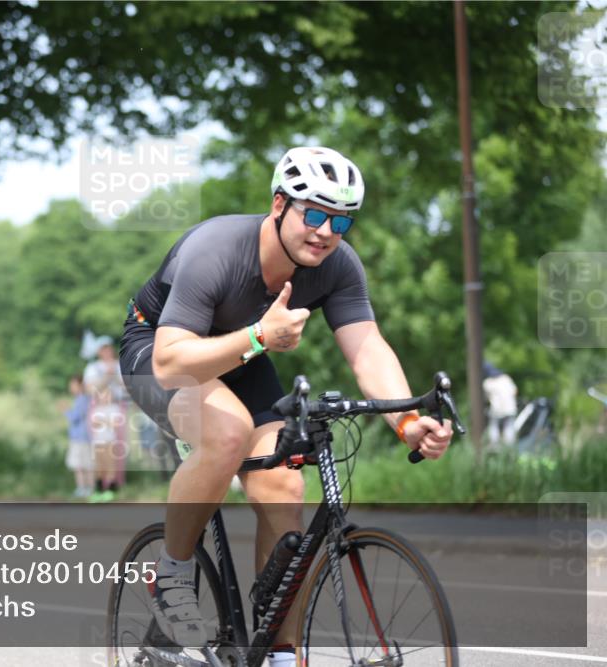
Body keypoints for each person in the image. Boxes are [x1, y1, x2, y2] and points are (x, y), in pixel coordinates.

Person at [119, 146, 453, 665]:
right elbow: (170, 362)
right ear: (279, 205)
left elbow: (367, 347)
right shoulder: (217, 249)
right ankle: (172, 572)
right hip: (160, 350)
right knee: (226, 431)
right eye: (313, 214)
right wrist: (257, 335)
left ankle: (277, 650)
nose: (324, 231)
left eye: (340, 221)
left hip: (246, 354)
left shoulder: (337, 266)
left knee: (285, 480)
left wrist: (407, 421)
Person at [83, 337, 127, 502]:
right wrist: (107, 377)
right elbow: (89, 389)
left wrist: (113, 376)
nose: (106, 351)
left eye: (108, 348)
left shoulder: (119, 365)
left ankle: (113, 484)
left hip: (115, 407)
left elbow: (125, 387)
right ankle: (99, 485)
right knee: (99, 454)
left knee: (115, 451)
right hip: (99, 408)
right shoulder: (92, 367)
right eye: (103, 349)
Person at [64, 374, 94, 498]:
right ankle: (83, 489)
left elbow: (74, 418)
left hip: (81, 438)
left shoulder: (82, 400)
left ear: (80, 386)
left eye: (73, 385)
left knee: (83, 465)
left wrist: (65, 410)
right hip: (80, 438)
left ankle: (87, 489)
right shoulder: (83, 399)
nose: (71, 387)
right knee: (81, 465)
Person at [482, 362, 518, 446]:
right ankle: (509, 446)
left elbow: (486, 398)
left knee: (493, 426)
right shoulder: (506, 378)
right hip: (510, 407)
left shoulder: (487, 382)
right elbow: (515, 391)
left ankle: (494, 445)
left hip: (497, 408)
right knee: (509, 427)